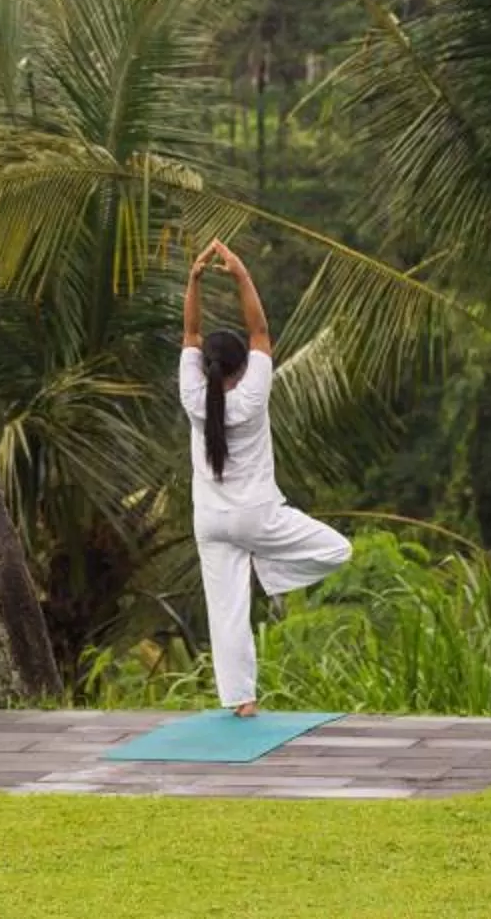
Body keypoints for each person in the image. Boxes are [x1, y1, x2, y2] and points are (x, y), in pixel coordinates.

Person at [179, 237, 350, 717]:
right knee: (337, 550)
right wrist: (241, 273)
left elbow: (190, 333)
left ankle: (242, 701)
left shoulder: (193, 397)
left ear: (207, 369)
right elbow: (259, 330)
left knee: (226, 612)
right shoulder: (252, 396)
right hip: (257, 517)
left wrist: (193, 280)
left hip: (210, 520)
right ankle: (270, 572)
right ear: (239, 370)